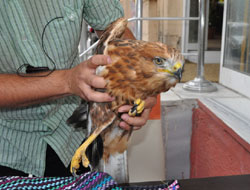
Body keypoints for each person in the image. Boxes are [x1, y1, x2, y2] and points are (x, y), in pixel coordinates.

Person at [0, 0, 157, 177]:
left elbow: (114, 31)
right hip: (6, 147)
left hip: (69, 137)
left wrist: (141, 80)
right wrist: (67, 82)